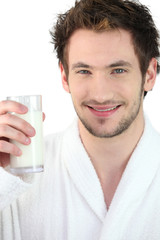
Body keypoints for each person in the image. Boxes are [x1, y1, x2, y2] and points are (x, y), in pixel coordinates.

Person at [0, 0, 160, 239]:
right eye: (84, 71)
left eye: (118, 70)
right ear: (64, 77)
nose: (100, 94)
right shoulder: (14, 172)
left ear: (149, 74)